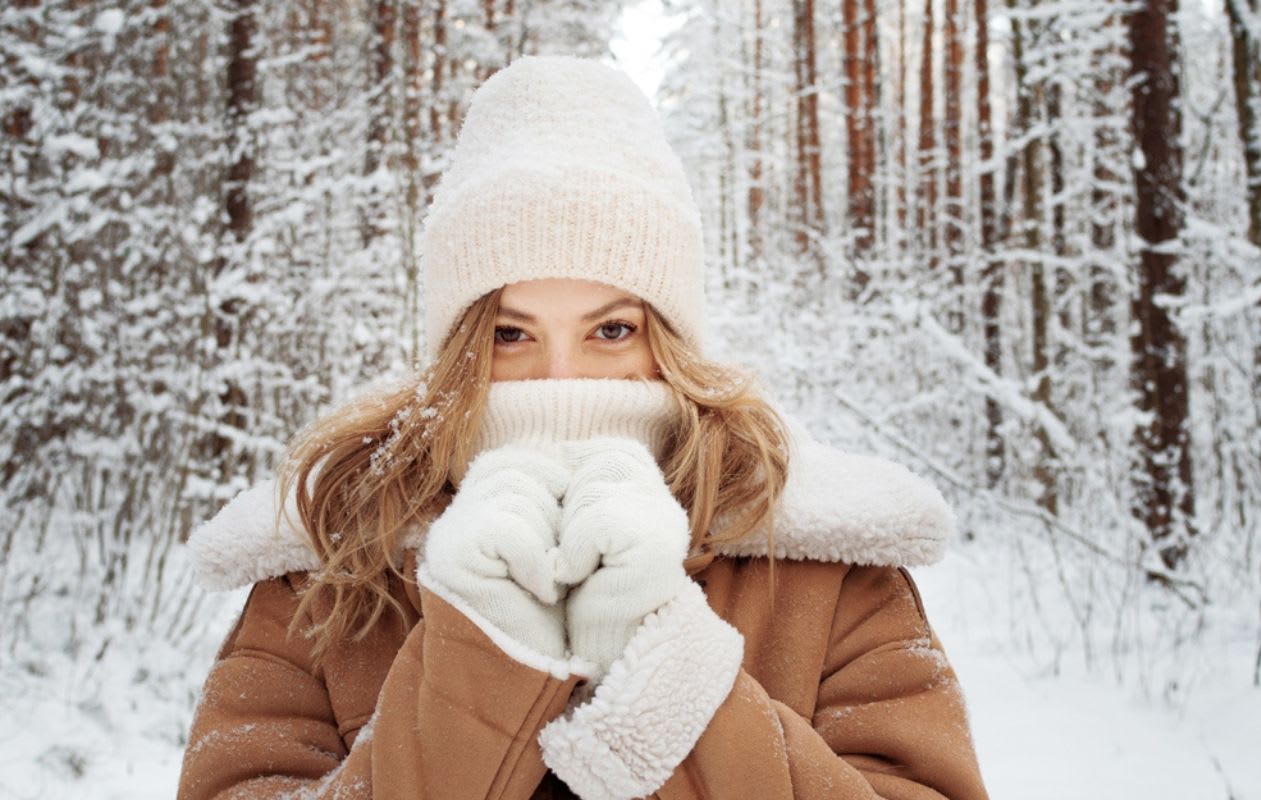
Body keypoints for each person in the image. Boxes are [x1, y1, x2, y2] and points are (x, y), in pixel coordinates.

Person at [178, 55, 989, 800]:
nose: (561, 379)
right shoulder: (331, 566)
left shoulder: (819, 563)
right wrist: (481, 657)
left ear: (669, 339)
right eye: (509, 333)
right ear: (456, 347)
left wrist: (667, 673)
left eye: (611, 331)